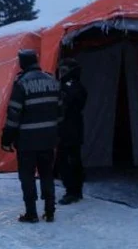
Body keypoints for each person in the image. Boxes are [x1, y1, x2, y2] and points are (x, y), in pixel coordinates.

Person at [1, 49, 61, 223]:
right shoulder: (52, 81)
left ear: (22, 63)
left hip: (27, 141)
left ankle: (31, 213)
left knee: (27, 176)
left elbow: (13, 115)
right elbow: (60, 112)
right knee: (47, 174)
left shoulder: (21, 84)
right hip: (49, 139)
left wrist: (6, 139)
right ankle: (50, 211)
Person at [56, 58, 87, 205]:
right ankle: (74, 190)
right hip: (68, 128)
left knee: (70, 161)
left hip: (70, 128)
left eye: (64, 71)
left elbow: (69, 104)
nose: (61, 73)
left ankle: (73, 191)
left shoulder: (73, 87)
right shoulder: (68, 86)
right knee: (68, 160)